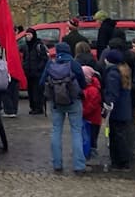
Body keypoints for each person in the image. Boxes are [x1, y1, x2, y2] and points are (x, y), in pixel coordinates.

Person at [40, 42, 87, 173]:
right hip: (73, 102)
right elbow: (83, 83)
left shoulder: (51, 64)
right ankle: (79, 165)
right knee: (76, 132)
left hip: (56, 102)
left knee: (56, 131)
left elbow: (41, 82)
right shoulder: (74, 64)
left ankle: (57, 163)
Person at [101, 49, 134, 171]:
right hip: (123, 109)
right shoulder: (124, 71)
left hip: (116, 110)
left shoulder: (112, 74)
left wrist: (107, 105)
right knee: (120, 135)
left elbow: (112, 92)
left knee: (117, 136)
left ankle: (121, 161)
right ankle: (121, 160)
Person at [20, 28, 48, 114]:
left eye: (29, 35)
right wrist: (25, 67)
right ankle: (33, 107)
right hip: (29, 73)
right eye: (26, 35)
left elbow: (44, 59)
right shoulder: (26, 46)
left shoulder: (39, 46)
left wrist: (38, 68)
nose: (28, 36)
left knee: (37, 91)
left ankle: (38, 108)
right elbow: (25, 58)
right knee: (31, 91)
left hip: (37, 73)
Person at [80, 66, 102, 158]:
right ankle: (88, 151)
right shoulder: (91, 88)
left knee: (91, 137)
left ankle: (91, 153)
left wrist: (82, 112)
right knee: (88, 136)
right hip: (91, 118)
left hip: (92, 119)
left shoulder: (92, 90)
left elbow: (92, 105)